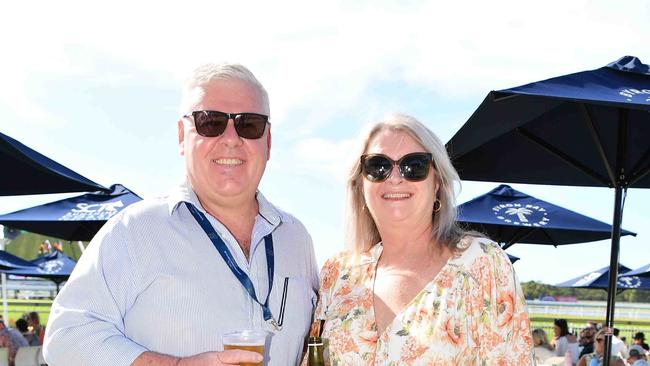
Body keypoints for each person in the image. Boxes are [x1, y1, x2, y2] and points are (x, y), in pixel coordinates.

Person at [43, 63, 319, 365]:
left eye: (248, 124)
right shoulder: (135, 230)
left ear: (267, 141)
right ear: (181, 136)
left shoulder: (296, 238)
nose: (231, 138)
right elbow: (65, 338)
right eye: (209, 122)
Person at [314, 114, 534, 364]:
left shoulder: (481, 263)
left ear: (437, 182)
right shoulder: (338, 273)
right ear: (360, 184)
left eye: (414, 166)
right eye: (378, 166)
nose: (395, 178)